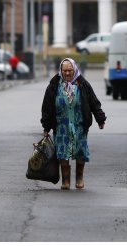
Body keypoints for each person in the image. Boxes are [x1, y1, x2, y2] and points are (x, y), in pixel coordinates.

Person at [40, 57, 106, 190]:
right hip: (61, 125)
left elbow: (94, 102)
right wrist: (46, 126)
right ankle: (65, 181)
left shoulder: (83, 84)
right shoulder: (54, 85)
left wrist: (100, 118)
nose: (67, 73)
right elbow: (47, 107)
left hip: (79, 124)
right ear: (61, 70)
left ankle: (79, 178)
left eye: (70, 70)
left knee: (80, 151)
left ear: (74, 69)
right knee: (62, 152)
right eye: (65, 70)